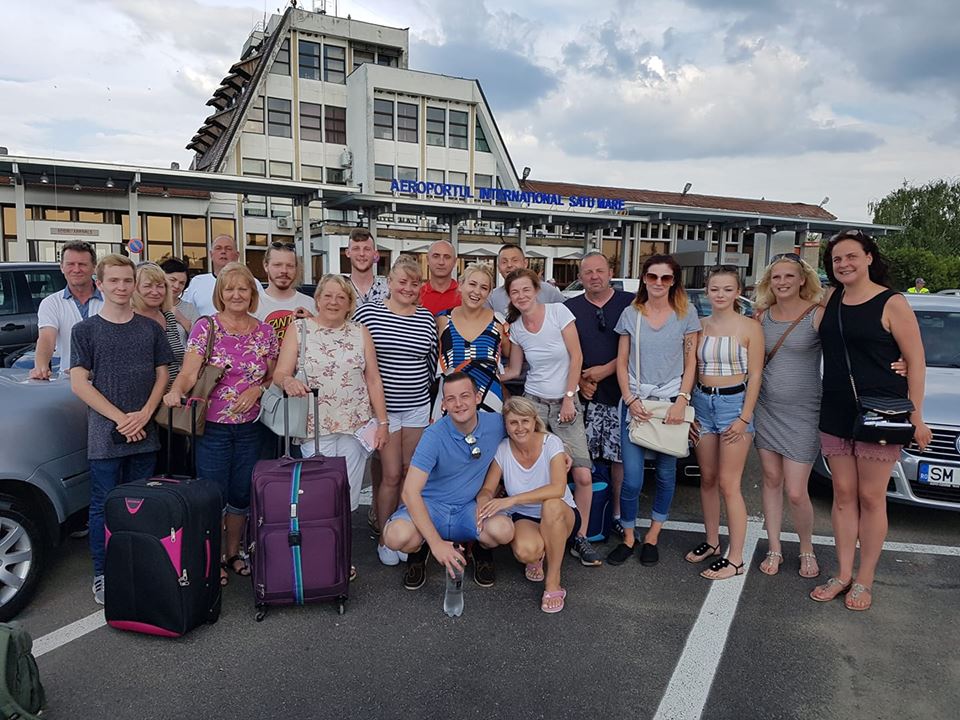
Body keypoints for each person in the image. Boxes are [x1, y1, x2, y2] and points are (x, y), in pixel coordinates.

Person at [812, 230, 930, 611]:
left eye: (850, 257)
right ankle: (843, 573)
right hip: (836, 407)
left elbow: (916, 361)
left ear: (868, 258)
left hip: (882, 410)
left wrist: (917, 415)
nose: (843, 264)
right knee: (843, 495)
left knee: (870, 497)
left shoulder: (891, 302)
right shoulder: (831, 298)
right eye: (836, 260)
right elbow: (787, 301)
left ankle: (865, 579)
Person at [163, 262, 279, 587]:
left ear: (252, 294)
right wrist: (175, 391)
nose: (237, 294)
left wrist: (258, 388)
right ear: (220, 294)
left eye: (243, 288)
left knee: (242, 493)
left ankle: (233, 552)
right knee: (213, 494)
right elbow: (188, 373)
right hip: (211, 425)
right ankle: (211, 558)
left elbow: (273, 376)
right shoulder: (207, 328)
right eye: (230, 289)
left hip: (253, 426)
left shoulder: (266, 331)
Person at [69, 254, 173, 603]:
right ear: (100, 284)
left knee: (140, 503)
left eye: (127, 280)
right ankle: (103, 573)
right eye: (113, 280)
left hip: (145, 432)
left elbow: (162, 373)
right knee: (103, 505)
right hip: (105, 435)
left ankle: (139, 566)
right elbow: (80, 384)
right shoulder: (85, 331)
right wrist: (121, 418)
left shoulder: (150, 329)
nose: (121, 287)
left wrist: (144, 413)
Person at [500, 268, 602, 567]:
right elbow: (516, 370)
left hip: (566, 403)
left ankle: (580, 537)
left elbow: (577, 356)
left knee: (581, 474)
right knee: (542, 473)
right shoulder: (516, 327)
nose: (520, 296)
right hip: (533, 404)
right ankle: (541, 540)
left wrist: (570, 397)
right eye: (514, 292)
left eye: (525, 290)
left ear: (537, 289)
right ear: (510, 296)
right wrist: (481, 373)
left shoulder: (558, 312)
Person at [381, 372, 513, 590]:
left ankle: (480, 548)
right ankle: (420, 548)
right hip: (432, 507)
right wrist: (436, 544)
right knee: (395, 537)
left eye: (465, 396)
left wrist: (558, 452)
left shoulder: (497, 424)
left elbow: (530, 432)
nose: (459, 404)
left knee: (503, 530)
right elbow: (409, 492)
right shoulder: (433, 435)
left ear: (477, 397)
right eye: (451, 399)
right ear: (443, 404)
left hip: (468, 509)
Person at [273, 274, 389, 511]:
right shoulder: (299, 329)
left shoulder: (361, 332)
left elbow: (373, 379)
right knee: (318, 496)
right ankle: (322, 545)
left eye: (341, 297)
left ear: (349, 304)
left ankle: (342, 544)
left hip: (355, 427)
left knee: (348, 498)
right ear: (317, 300)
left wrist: (383, 422)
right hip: (315, 427)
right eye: (327, 296)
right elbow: (279, 373)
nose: (333, 302)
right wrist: (288, 381)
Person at [612, 255, 700, 566]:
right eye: (653, 277)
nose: (659, 283)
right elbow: (622, 361)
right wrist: (630, 399)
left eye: (665, 278)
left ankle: (653, 535)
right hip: (637, 401)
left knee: (666, 473)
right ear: (644, 279)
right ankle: (628, 535)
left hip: (671, 401)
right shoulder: (630, 314)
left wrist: (682, 399)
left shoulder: (686, 314)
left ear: (674, 280)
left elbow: (691, 361)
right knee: (632, 478)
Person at [354, 256, 439, 567]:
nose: (408, 288)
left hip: (417, 406)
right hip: (384, 412)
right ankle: (386, 536)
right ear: (388, 282)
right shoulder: (368, 314)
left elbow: (431, 365)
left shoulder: (427, 319)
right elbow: (358, 360)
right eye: (401, 281)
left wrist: (431, 405)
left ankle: (406, 528)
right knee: (389, 475)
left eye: (414, 283)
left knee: (408, 473)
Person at [685, 266, 763, 580]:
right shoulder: (698, 326)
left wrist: (744, 417)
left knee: (729, 484)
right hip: (702, 403)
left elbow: (756, 375)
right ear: (707, 291)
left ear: (738, 291)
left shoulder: (751, 327)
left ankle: (735, 557)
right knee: (707, 478)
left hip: (734, 404)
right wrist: (689, 408)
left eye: (727, 289)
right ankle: (712, 541)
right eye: (715, 289)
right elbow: (690, 369)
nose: (720, 295)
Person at [751, 254, 825, 578]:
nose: (782, 283)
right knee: (770, 480)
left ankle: (806, 547)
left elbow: (847, 349)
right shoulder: (761, 317)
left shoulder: (816, 315)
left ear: (802, 280)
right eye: (776, 277)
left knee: (796, 490)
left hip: (804, 412)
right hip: (767, 408)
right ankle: (775, 547)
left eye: (789, 277)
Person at [476, 397, 580, 613]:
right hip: (526, 517)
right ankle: (539, 554)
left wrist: (511, 499)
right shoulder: (503, 449)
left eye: (525, 421)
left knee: (551, 504)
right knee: (526, 552)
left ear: (534, 421)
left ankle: (553, 582)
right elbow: (487, 489)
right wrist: (484, 504)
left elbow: (558, 489)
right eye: (513, 422)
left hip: (561, 514)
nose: (520, 428)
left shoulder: (551, 443)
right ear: (506, 425)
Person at [564, 252, 633, 533]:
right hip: (584, 397)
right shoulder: (569, 308)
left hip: (621, 393)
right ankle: (585, 521)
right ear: (580, 277)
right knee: (583, 459)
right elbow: (563, 351)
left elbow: (640, 348)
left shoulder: (629, 303)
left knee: (620, 459)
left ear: (610, 272)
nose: (594, 276)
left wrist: (606, 370)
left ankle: (615, 515)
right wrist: (581, 380)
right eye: (588, 272)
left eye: (599, 270)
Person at [436, 262, 508, 414]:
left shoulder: (499, 322)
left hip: (489, 400)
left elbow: (513, 361)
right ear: (461, 285)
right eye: (472, 284)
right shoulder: (442, 320)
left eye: (484, 288)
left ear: (489, 293)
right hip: (451, 402)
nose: (477, 291)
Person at [31, 241, 103, 379]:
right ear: (62, 267)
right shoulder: (51, 303)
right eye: (70, 264)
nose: (76, 269)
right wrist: (41, 367)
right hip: (69, 382)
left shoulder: (110, 299)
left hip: (108, 381)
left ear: (94, 267)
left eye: (82, 264)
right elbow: (46, 338)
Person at [132, 262, 185, 384]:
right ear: (136, 288)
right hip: (144, 397)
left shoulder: (168, 317)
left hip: (172, 397)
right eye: (148, 286)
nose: (155, 292)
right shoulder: (129, 320)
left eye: (160, 286)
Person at [254, 241, 314, 343]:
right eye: (277, 265)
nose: (284, 271)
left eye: (290, 266)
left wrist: (314, 323)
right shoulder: (252, 304)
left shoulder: (311, 304)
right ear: (266, 266)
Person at [487, 243, 564, 316]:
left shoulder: (547, 290)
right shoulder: (493, 297)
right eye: (504, 262)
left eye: (515, 260)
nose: (509, 265)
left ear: (525, 263)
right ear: (498, 268)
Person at [181, 234, 239, 316]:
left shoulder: (250, 282)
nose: (223, 252)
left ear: (237, 255)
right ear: (211, 254)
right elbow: (186, 313)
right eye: (218, 248)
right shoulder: (197, 282)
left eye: (228, 249)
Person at [345, 227, 389, 307]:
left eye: (367, 249)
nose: (361, 254)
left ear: (375, 254)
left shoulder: (389, 290)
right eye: (356, 249)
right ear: (348, 253)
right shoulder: (340, 289)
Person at [419, 240, 461, 316]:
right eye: (436, 256)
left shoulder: (464, 296)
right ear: (428, 260)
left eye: (447, 257)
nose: (441, 262)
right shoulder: (416, 295)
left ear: (455, 262)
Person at [160, 257, 199, 328]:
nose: (177, 286)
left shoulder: (189, 309)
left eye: (182, 283)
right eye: (172, 280)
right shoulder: (150, 304)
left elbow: (201, 336)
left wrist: (181, 319)